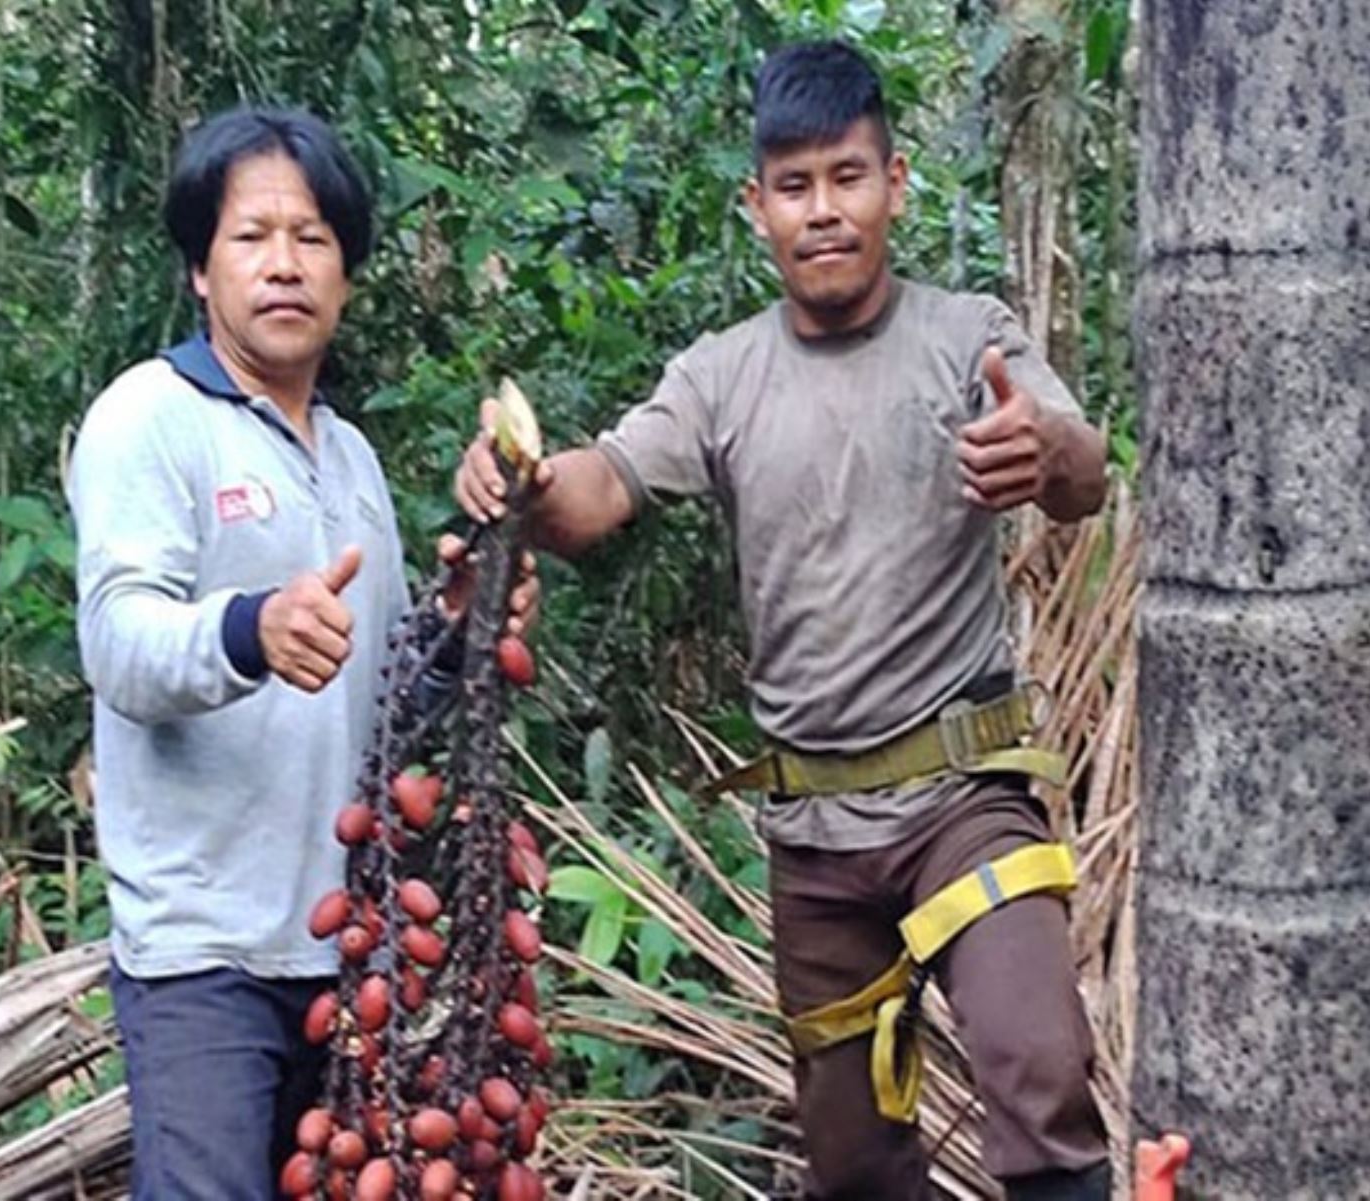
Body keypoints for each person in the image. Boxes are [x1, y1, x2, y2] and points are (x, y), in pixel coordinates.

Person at [455, 41, 1110, 1201]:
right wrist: (519, 480)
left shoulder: (967, 337)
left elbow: (1079, 465)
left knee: (1036, 1064)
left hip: (965, 798)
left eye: (847, 178)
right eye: (795, 186)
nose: (824, 211)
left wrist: (1043, 450)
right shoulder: (721, 376)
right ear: (756, 204)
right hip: (815, 837)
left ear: (894, 183)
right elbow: (596, 489)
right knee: (855, 1167)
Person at [67, 107, 534, 1200]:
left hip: (343, 947)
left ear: (347, 275)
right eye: (252, 236)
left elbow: (374, 714)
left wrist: (459, 628)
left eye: (313, 238)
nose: (285, 264)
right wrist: (250, 626)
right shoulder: (150, 417)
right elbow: (119, 642)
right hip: (203, 956)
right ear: (198, 268)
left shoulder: (351, 460)